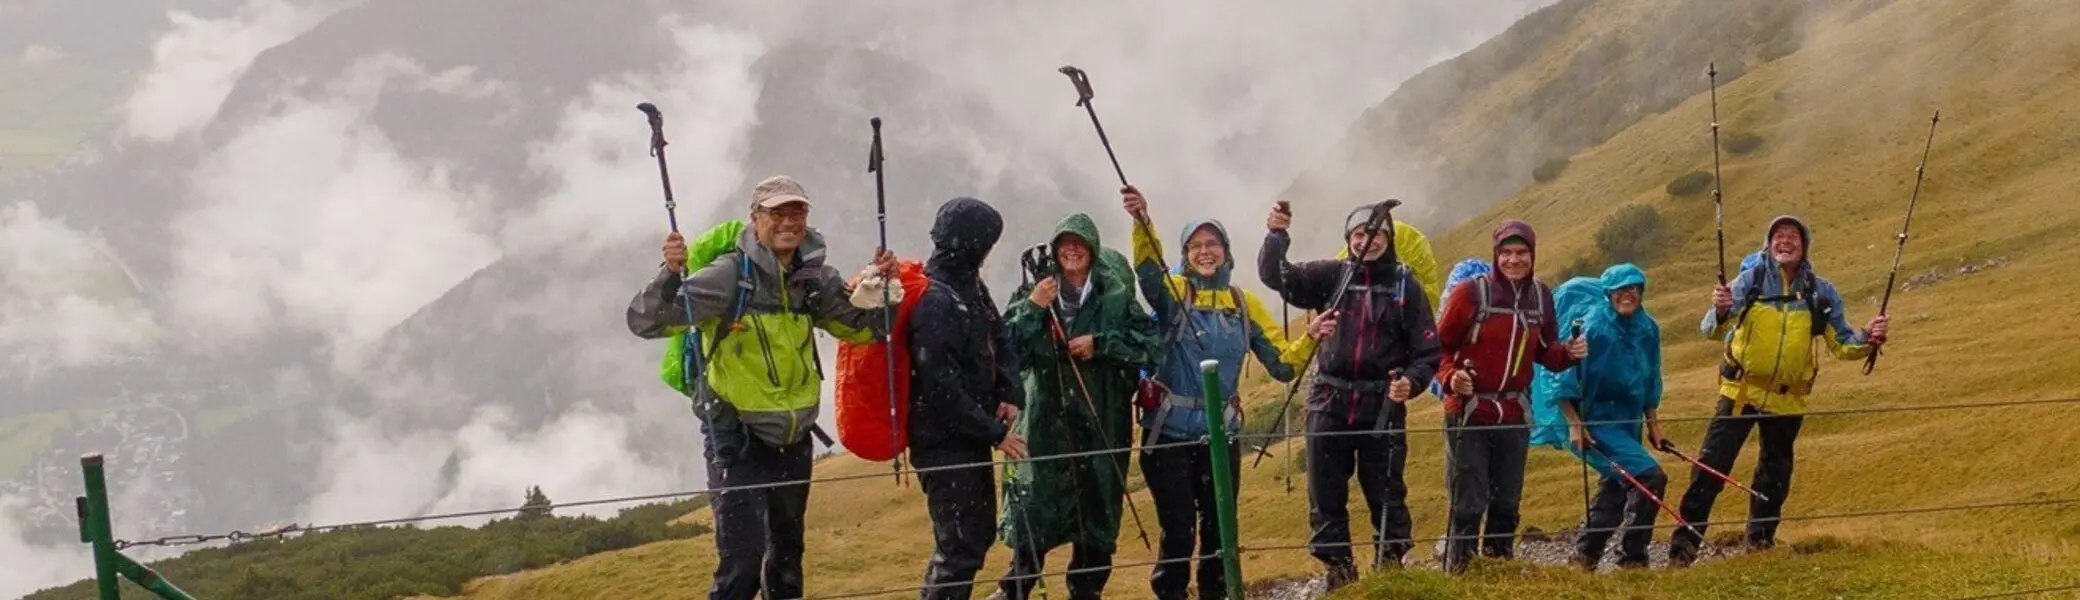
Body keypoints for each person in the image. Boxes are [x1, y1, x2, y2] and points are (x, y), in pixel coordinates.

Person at [626, 175, 896, 600]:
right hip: (737, 439)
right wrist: (670, 274)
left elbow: (865, 331)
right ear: (754, 219)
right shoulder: (729, 275)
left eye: (798, 212)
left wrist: (883, 290)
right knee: (742, 567)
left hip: (795, 439)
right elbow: (648, 321)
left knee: (787, 562)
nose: (789, 221)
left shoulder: (814, 277)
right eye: (777, 212)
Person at [1668, 215, 1888, 566]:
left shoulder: (1820, 291)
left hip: (1789, 399)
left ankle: (1760, 545)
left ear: (1804, 246)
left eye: (1793, 237)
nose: (1785, 241)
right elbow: (1710, 329)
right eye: (1779, 236)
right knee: (1711, 468)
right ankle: (1682, 550)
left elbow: (1843, 344)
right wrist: (1721, 310)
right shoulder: (1750, 281)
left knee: (1775, 476)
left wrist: (1869, 337)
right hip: (1741, 393)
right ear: (1768, 243)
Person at [1123, 187, 1309, 600]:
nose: (1205, 252)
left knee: (1219, 528)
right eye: (1196, 246)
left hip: (1221, 436)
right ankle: (1171, 594)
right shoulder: (1173, 292)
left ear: (1226, 251)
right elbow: (1149, 274)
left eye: (1213, 244)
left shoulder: (1244, 303)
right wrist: (1142, 222)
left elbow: (1283, 366)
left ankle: (1217, 594)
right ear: (1185, 253)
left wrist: (1311, 336)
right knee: (1178, 530)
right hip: (1167, 435)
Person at [1259, 199, 1440, 587]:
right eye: (1360, 234)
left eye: (1377, 235)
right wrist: (1276, 235)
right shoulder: (1331, 275)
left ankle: (1390, 570)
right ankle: (1339, 573)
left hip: (1383, 404)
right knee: (1326, 492)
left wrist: (1412, 381)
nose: (1368, 242)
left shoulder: (1406, 285)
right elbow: (1278, 277)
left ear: (1389, 239)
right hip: (1329, 401)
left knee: (1387, 490)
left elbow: (1428, 352)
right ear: (1349, 238)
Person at [993, 213, 1164, 600]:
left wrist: (1101, 345)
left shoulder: (1116, 294)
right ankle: (1014, 589)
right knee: (1035, 508)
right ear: (1054, 250)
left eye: (1080, 243)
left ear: (1093, 248)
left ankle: (1086, 593)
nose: (1072, 249)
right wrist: (1035, 309)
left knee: (1098, 510)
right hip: (1042, 423)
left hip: (1103, 417)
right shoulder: (1033, 291)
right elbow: (1007, 352)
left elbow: (1151, 347)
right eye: (1064, 242)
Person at [1435, 219, 1586, 573]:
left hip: (1514, 413)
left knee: (1506, 502)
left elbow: (1546, 353)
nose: (1514, 260)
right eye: (1506, 253)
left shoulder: (1541, 296)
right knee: (1468, 503)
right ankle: (1461, 577)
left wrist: (1569, 353)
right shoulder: (1470, 293)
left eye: (1521, 253)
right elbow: (1437, 347)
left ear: (1532, 255)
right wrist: (1450, 377)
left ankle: (1498, 574)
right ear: (1495, 255)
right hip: (1468, 410)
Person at [907, 196, 1028, 600]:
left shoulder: (968, 285)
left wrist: (1010, 391)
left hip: (967, 439)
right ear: (974, 244)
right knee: (959, 547)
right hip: (942, 443)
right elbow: (941, 386)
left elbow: (1000, 337)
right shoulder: (935, 299)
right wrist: (995, 432)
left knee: (971, 539)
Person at [1545, 264, 1668, 571]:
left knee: (1616, 485)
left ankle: (1584, 558)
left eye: (1633, 288)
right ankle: (1633, 559)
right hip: (1594, 422)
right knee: (1650, 478)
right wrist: (1575, 424)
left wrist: (1653, 424)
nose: (1627, 295)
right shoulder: (1594, 328)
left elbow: (1651, 378)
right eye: (1619, 290)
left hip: (1628, 421)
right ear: (1608, 294)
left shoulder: (1648, 329)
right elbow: (1563, 380)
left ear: (1642, 291)